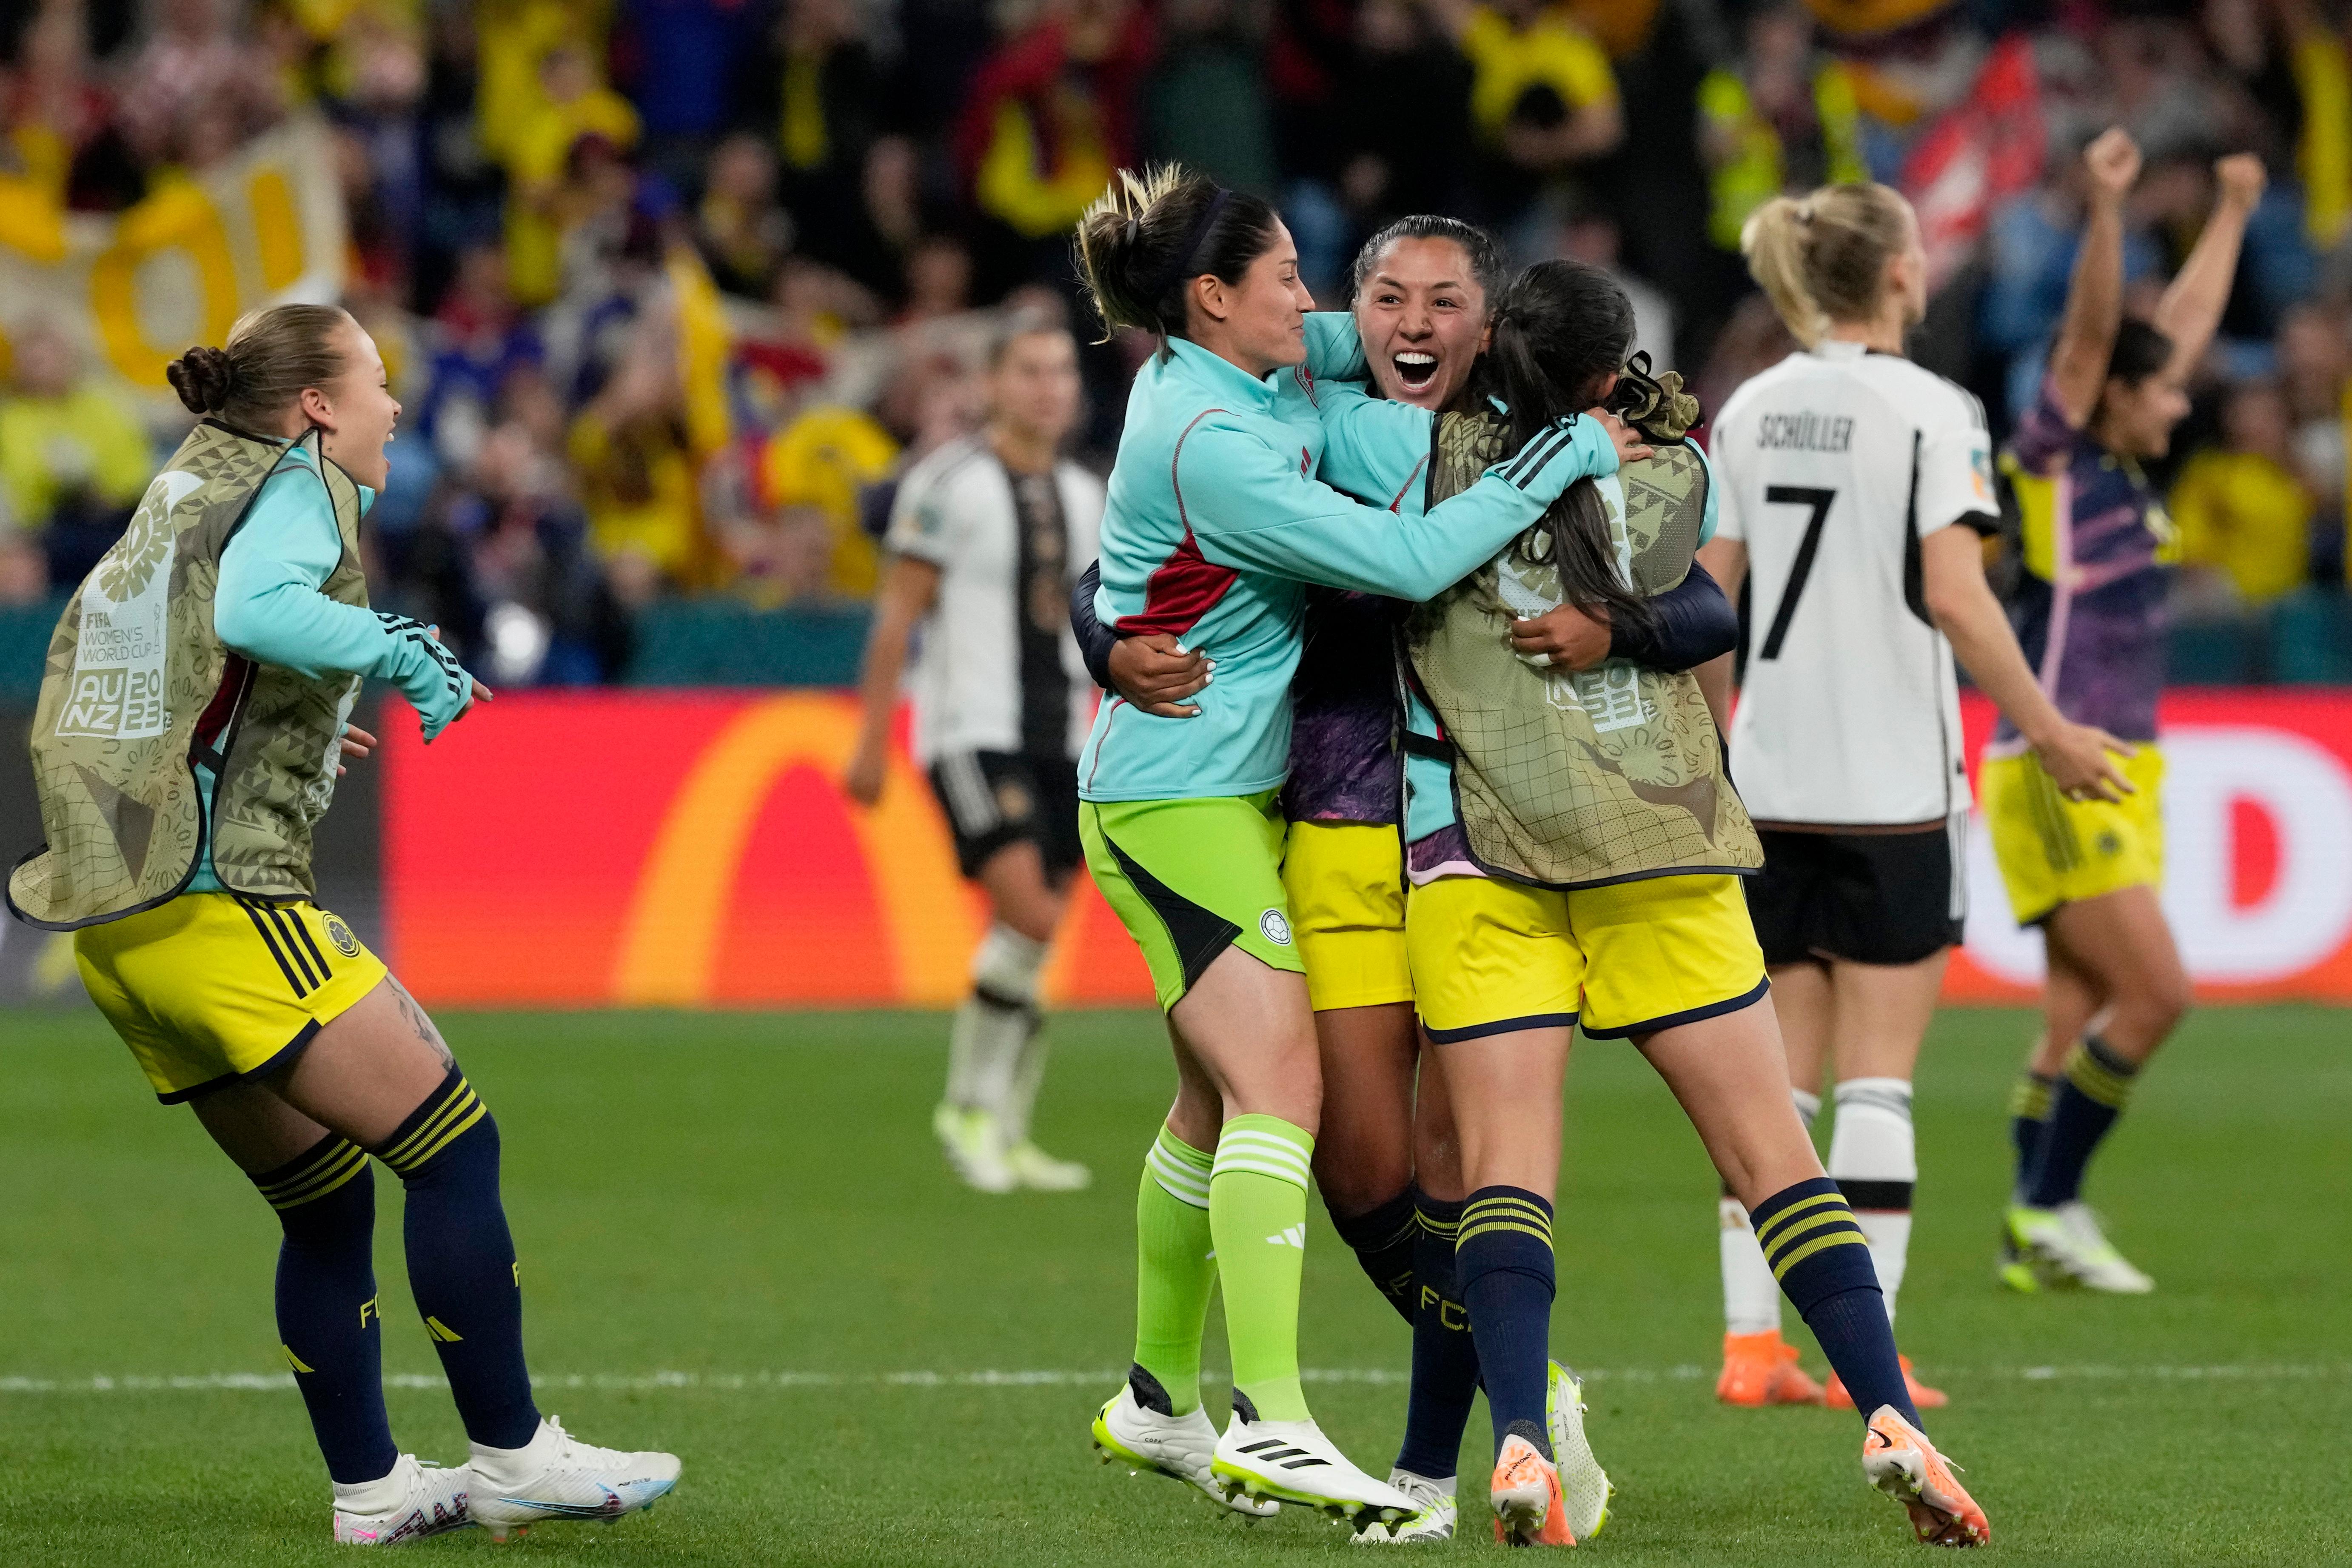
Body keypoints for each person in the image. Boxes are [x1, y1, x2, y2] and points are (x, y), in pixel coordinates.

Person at [1309, 259, 1991, 1549]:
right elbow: (1708, 607)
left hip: (1484, 850)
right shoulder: (1671, 467)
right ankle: (1892, 1410)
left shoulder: (1419, 461)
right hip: (1661, 840)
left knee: (1503, 1168)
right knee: (1770, 1154)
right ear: (1606, 369)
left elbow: (1320, 376)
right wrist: (1615, 614)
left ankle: (1515, 1437)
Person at [1076, 216, 1732, 1543]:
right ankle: (1506, 1394)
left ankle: (1459, 1446)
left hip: (1482, 820)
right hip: (1321, 802)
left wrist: (1620, 603)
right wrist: (1103, 632)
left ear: (1487, 320)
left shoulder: (1515, 405)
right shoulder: (1293, 396)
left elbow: (1708, 605)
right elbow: (1142, 553)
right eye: (1382, 297)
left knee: (1414, 1143)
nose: (1408, 324)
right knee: (1357, 1158)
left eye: (1444, 302)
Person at [3, 305, 679, 1546]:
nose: (396, 407)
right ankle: (516, 1453)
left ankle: (370, 1487)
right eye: (376, 381)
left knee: (323, 1203)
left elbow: (142, 645)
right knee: (454, 1146)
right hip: (215, 899)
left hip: (118, 924)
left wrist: (267, 729)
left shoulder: (186, 484)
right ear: (315, 406)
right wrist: (398, 648)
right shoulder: (304, 481)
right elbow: (262, 610)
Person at [1693, 159, 2138, 1408]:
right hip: (1890, 784)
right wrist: (2045, 725)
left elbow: (1709, 597)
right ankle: (1862, 1364)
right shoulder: (1936, 411)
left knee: (1770, 1079)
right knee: (1876, 1080)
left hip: (1768, 784)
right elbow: (1952, 593)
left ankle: (1751, 1346)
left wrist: (1721, 744)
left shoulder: (1748, 406)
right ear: (1901, 269)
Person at [1988, 140, 2266, 1293]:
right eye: (2160, 388)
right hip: (2059, 759)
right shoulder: (2055, 461)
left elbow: (2175, 327)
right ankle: (2047, 1203)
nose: (2183, 393)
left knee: (2076, 1013)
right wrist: (2105, 206)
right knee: (2158, 994)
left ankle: (2028, 1233)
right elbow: (2097, 338)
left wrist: (2234, 207)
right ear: (2110, 397)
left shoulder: (2123, 468)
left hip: (2119, 767)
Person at [845, 312, 1103, 1195]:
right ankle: (966, 1107)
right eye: (1029, 371)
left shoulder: (1085, 495)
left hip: (1063, 736)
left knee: (1032, 936)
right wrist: (873, 740)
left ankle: (1007, 1124)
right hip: (969, 730)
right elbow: (896, 619)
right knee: (1029, 916)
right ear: (991, 384)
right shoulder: (945, 483)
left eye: (1061, 373)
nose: (1047, 388)